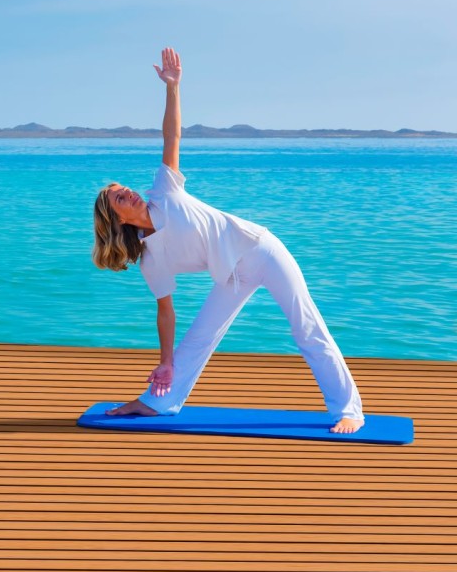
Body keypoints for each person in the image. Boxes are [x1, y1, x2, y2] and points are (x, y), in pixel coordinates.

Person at [92, 47, 364, 434]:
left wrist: (172, 88)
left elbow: (172, 134)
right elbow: (165, 313)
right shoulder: (150, 259)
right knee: (199, 338)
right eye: (120, 197)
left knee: (305, 327)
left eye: (125, 188)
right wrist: (164, 361)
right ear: (117, 218)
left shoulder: (164, 191)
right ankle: (158, 401)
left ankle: (349, 409)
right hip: (231, 274)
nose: (129, 192)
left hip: (261, 250)